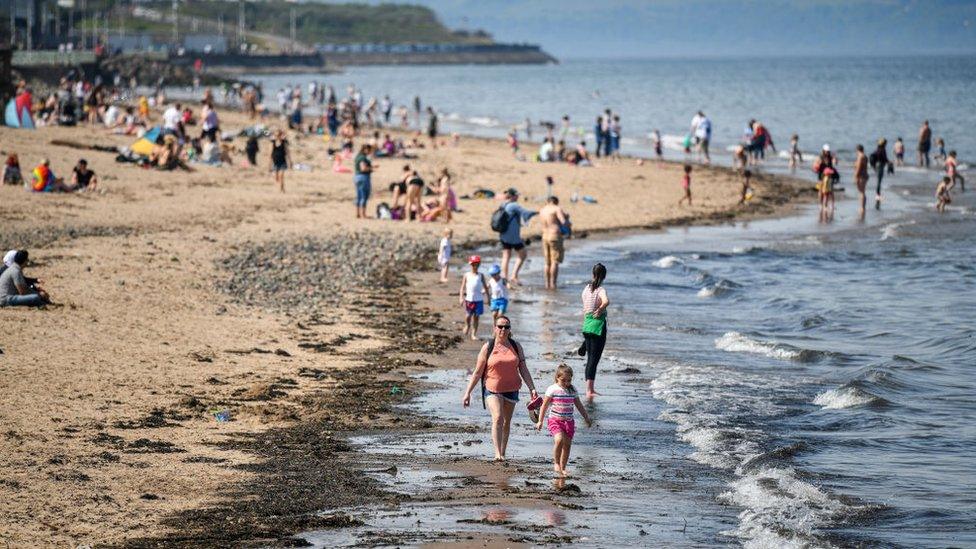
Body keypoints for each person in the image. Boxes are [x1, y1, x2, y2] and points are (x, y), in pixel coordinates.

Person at [461, 314, 539, 461]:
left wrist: (532, 388)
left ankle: (503, 452)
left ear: (510, 329)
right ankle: (497, 454)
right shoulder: (488, 347)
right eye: (500, 326)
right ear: (495, 328)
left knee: (506, 422)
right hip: (492, 389)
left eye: (506, 327)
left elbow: (523, 368)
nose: (503, 329)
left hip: (512, 388)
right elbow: (477, 372)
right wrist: (468, 393)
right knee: (498, 417)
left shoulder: (516, 346)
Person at [535, 364, 592, 477]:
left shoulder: (572, 390)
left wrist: (586, 417)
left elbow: (579, 405)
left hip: (569, 422)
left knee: (567, 445)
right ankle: (556, 463)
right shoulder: (552, 389)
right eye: (563, 380)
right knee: (559, 440)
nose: (566, 383)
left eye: (569, 380)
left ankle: (563, 467)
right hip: (555, 420)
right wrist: (540, 421)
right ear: (557, 377)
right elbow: (544, 406)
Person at [579, 263, 609, 399]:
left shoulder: (586, 289)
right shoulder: (600, 290)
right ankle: (589, 390)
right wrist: (601, 309)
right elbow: (606, 301)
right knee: (593, 359)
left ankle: (584, 345)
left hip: (587, 324)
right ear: (604, 276)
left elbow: (585, 306)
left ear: (592, 274)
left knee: (590, 357)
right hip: (598, 326)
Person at [497, 188, 537, 285]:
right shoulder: (514, 205)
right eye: (516, 195)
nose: (518, 196)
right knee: (523, 254)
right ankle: (514, 276)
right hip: (513, 236)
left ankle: (504, 278)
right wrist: (538, 212)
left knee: (506, 256)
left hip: (503, 234)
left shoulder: (503, 204)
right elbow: (525, 213)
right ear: (513, 196)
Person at [459, 255, 491, 340]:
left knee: (476, 317)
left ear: (479, 264)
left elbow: (486, 287)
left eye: (477, 264)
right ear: (470, 264)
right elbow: (462, 287)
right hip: (469, 299)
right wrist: (461, 298)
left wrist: (489, 298)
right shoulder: (466, 275)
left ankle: (473, 334)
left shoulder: (481, 275)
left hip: (479, 300)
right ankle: (467, 325)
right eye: (473, 264)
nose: (475, 266)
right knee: (468, 316)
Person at [539, 196, 568, 289]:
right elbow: (563, 222)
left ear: (548, 201)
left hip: (544, 236)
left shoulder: (542, 210)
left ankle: (547, 284)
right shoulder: (557, 208)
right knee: (555, 261)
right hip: (554, 235)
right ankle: (553, 284)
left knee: (547, 262)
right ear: (556, 202)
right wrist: (566, 218)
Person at [814, 144, 837, 212]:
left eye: (828, 151)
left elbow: (835, 163)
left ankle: (831, 205)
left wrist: (835, 160)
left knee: (830, 191)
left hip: (829, 176)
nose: (827, 152)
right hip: (822, 176)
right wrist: (818, 164)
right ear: (823, 151)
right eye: (826, 151)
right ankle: (821, 205)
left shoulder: (831, 157)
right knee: (821, 191)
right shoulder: (820, 157)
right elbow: (815, 166)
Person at [354, 144, 375, 218]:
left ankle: (358, 213)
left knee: (359, 196)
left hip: (357, 177)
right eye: (369, 150)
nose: (370, 152)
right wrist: (371, 169)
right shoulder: (362, 158)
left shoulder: (358, 156)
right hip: (363, 177)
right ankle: (363, 214)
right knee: (364, 196)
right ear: (366, 149)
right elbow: (363, 168)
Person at [870, 138, 890, 210]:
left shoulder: (877, 149)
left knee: (878, 181)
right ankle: (878, 195)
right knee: (879, 181)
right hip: (880, 166)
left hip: (877, 165)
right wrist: (889, 162)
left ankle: (878, 194)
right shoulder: (882, 150)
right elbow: (884, 158)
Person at [854, 144, 869, 215]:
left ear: (857, 150)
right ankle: (863, 207)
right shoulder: (865, 156)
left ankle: (862, 208)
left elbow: (859, 167)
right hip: (865, 175)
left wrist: (856, 176)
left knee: (861, 192)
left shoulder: (860, 157)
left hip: (861, 176)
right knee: (863, 192)